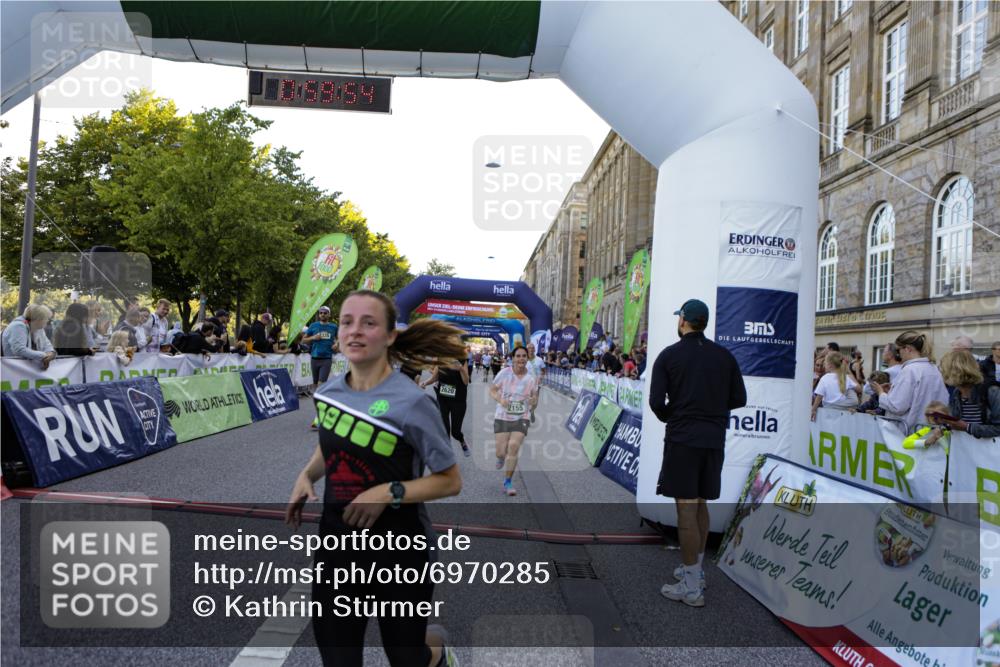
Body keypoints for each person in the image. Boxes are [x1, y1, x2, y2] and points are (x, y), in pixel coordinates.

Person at [285, 290, 463, 667]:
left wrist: (388, 492)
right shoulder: (329, 392)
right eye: (347, 322)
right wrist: (306, 475)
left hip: (401, 550)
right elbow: (332, 444)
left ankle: (436, 654)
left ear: (390, 335)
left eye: (369, 323)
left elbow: (449, 480)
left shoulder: (413, 402)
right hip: (337, 546)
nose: (355, 331)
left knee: (405, 656)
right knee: (338, 657)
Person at [648, 299, 746, 608]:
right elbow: (739, 398)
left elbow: (655, 402)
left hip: (684, 438)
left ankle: (691, 586)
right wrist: (711, 410)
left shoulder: (669, 355)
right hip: (714, 438)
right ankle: (696, 570)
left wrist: (674, 416)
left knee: (686, 510)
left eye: (679, 318)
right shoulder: (724, 356)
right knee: (701, 504)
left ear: (683, 321)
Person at [870, 330, 948, 432]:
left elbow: (897, 406)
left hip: (909, 434)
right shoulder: (934, 368)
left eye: (898, 350)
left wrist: (881, 393)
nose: (898, 355)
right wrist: (892, 391)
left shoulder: (910, 370)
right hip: (931, 431)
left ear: (907, 349)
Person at [489, 346, 539, 497]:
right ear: (513, 358)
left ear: (527, 358)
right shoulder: (504, 373)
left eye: (524, 356)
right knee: (501, 451)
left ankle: (508, 481)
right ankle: (500, 457)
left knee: (514, 447)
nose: (521, 359)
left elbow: (535, 399)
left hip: (521, 416)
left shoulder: (531, 378)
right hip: (503, 415)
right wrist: (500, 399)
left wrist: (533, 401)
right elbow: (492, 390)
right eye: (518, 356)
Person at [937, 350, 1000, 439]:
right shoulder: (957, 392)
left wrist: (968, 427)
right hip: (966, 450)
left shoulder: (992, 391)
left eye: (943, 370)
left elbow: (998, 429)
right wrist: (944, 423)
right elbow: (956, 422)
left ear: (954, 371)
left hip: (988, 451)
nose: (941, 373)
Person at [421, 360, 471, 457]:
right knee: (444, 429)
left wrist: (461, 369)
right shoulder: (441, 358)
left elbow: (465, 381)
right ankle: (448, 455)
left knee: (455, 432)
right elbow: (435, 378)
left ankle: (462, 441)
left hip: (458, 400)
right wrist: (424, 383)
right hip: (442, 398)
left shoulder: (461, 359)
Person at [2, 303, 57, 369]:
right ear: (38, 319)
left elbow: (47, 345)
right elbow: (19, 350)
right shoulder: (18, 326)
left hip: (24, 369)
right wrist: (44, 356)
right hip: (10, 369)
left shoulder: (39, 328)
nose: (48, 321)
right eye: (47, 318)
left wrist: (51, 354)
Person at [811, 352, 861, 420]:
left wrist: (813, 409)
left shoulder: (825, 378)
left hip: (828, 407)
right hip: (844, 408)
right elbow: (859, 389)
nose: (824, 366)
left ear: (830, 365)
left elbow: (819, 396)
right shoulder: (845, 377)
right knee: (850, 390)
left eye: (825, 363)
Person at [302, 306, 338, 392]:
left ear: (329, 314)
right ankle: (318, 400)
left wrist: (337, 343)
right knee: (315, 384)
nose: (322, 315)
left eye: (325, 313)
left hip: (326, 359)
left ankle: (320, 400)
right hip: (314, 358)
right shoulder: (313, 326)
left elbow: (340, 337)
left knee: (321, 383)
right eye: (321, 313)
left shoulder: (334, 327)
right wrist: (313, 337)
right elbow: (303, 340)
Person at [525, 343, 546, 423]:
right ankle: (526, 416)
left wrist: (541, 377)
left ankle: (531, 411)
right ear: (527, 350)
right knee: (526, 400)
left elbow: (544, 370)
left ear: (534, 349)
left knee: (535, 402)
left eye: (532, 348)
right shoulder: (523, 359)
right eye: (529, 348)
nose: (530, 349)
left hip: (536, 383)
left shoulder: (539, 360)